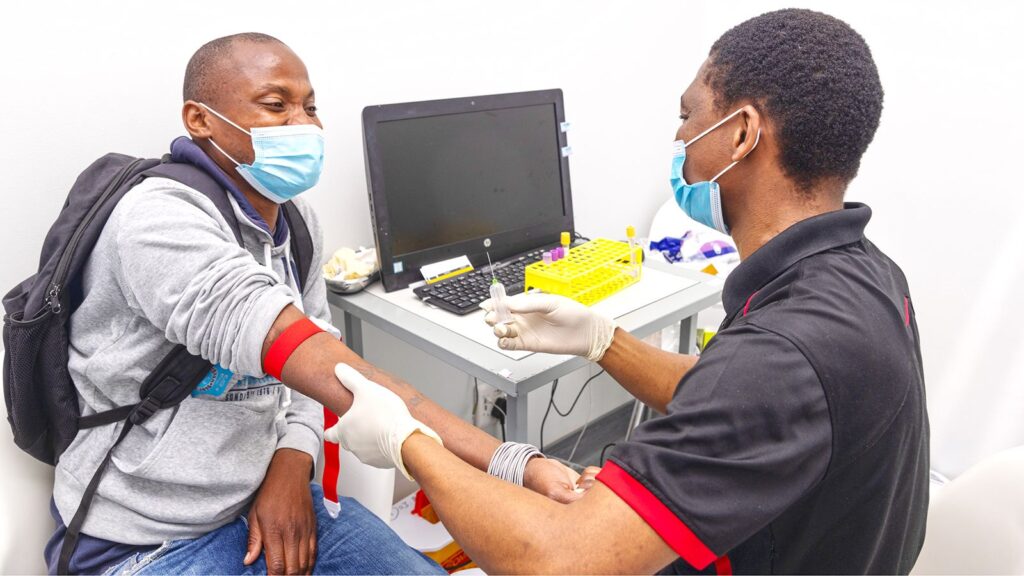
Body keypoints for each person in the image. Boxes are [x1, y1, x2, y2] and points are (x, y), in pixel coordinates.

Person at [320, 9, 930, 574]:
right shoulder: (866, 275)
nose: (680, 137)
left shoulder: (781, 352)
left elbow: (557, 562)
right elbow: (736, 401)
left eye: (688, 115)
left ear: (742, 133)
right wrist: (602, 341)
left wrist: (410, 444)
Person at [46, 32, 579, 575]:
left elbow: (316, 362)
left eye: (311, 106)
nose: (304, 124)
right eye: (276, 106)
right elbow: (324, 366)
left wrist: (292, 460)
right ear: (199, 119)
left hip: (264, 499)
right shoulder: (159, 222)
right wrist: (510, 463)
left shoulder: (294, 220)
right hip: (145, 539)